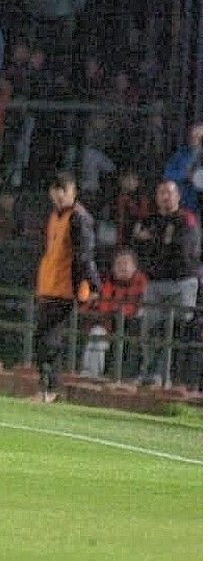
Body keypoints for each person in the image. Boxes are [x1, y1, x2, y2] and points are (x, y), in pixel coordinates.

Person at [30, 172, 101, 402]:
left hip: (65, 288)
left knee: (49, 339)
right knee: (44, 337)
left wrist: (91, 284)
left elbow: (84, 255)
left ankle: (49, 389)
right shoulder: (55, 216)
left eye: (64, 193)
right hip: (50, 286)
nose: (59, 197)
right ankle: (48, 388)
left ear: (73, 192)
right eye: (56, 193)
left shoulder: (78, 218)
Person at [130, 180, 200, 386]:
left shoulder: (186, 219)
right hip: (155, 282)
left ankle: (178, 379)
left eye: (169, 192)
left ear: (178, 196)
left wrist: (156, 240)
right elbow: (137, 244)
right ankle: (152, 374)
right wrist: (159, 241)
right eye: (161, 192)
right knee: (149, 329)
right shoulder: (151, 219)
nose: (165, 196)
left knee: (179, 329)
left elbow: (183, 250)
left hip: (182, 282)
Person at [80, 247, 147, 379]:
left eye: (125, 264)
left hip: (131, 328)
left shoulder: (141, 283)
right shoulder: (106, 282)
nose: (122, 268)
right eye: (118, 264)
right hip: (108, 324)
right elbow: (95, 306)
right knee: (97, 333)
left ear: (134, 267)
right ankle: (90, 375)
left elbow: (136, 308)